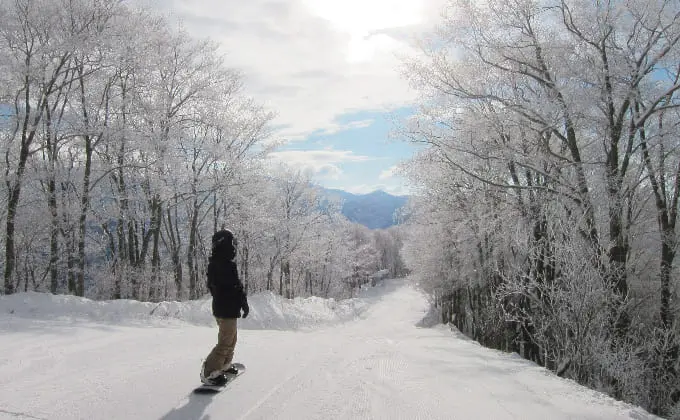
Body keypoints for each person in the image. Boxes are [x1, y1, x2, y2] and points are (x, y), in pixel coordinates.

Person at [200, 229, 249, 386]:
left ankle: (224, 366)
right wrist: (236, 297)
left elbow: (237, 286)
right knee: (225, 343)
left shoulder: (227, 264)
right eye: (231, 243)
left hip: (229, 309)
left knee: (231, 340)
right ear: (224, 244)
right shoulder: (218, 265)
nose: (234, 247)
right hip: (224, 309)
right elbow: (229, 286)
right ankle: (209, 373)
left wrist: (243, 302)